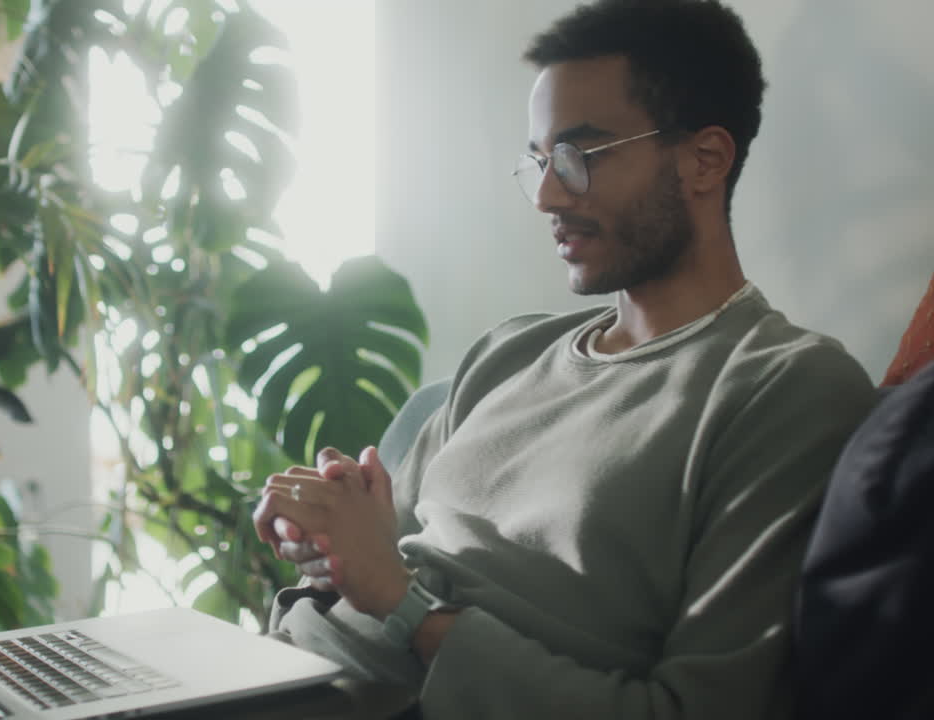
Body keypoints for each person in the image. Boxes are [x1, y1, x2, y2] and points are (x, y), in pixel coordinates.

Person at [252, 1, 877, 717]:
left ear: (704, 160)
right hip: (282, 672)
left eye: (582, 156)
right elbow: (377, 564)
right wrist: (328, 538)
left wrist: (400, 603)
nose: (548, 194)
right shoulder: (510, 352)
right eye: (540, 160)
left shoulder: (786, 387)